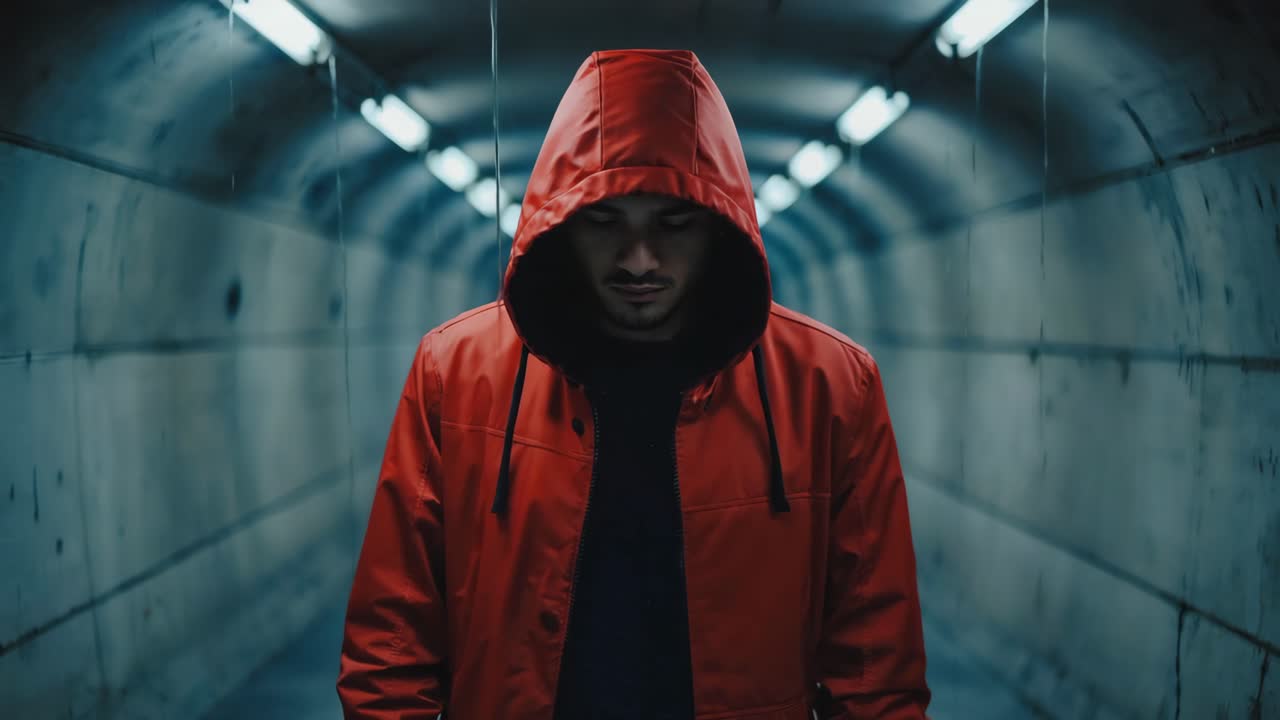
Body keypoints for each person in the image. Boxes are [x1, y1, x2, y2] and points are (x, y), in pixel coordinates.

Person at [337, 48, 931, 719]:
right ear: (562, 222)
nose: (640, 260)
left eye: (673, 223)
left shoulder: (829, 384)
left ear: (719, 224)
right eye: (604, 220)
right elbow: (392, 641)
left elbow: (875, 662)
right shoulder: (457, 371)